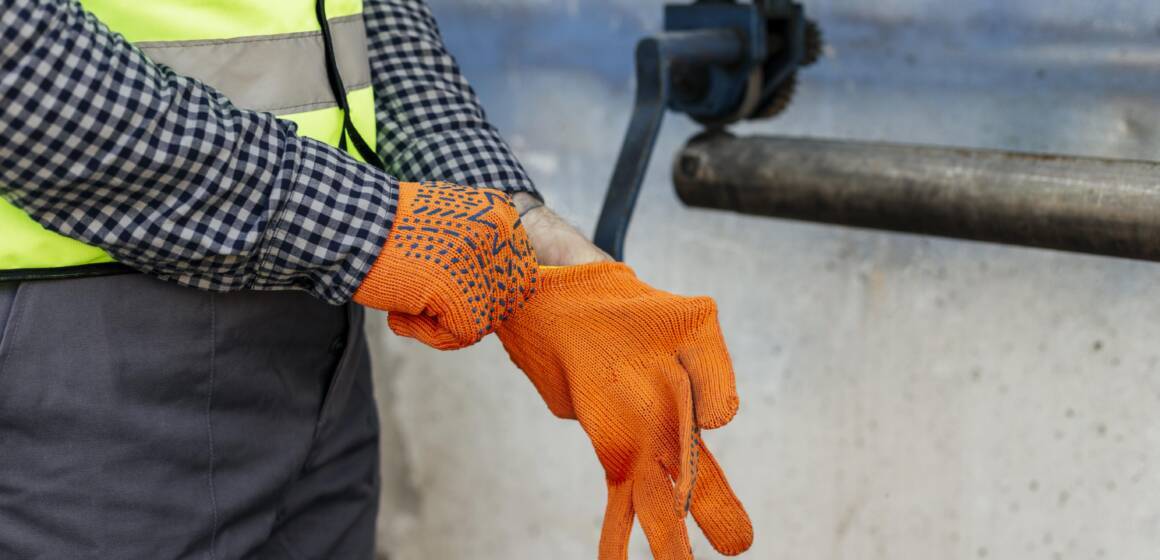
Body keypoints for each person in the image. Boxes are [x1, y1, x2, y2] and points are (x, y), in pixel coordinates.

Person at [0, 1, 751, 558]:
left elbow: (367, 28)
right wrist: (372, 228)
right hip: (88, 351)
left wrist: (522, 236)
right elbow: (17, 61)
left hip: (316, 336)